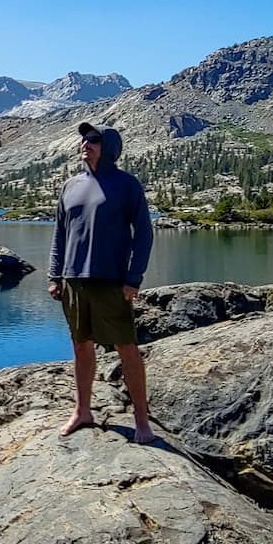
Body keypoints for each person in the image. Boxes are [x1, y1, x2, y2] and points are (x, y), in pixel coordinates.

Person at [48, 121, 156, 444]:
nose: (85, 144)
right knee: (81, 346)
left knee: (127, 348)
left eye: (93, 139)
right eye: (83, 139)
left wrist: (133, 278)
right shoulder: (70, 186)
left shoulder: (126, 185)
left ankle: (142, 422)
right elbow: (59, 234)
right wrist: (55, 275)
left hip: (112, 281)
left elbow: (145, 235)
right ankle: (82, 411)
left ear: (109, 147)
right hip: (73, 281)